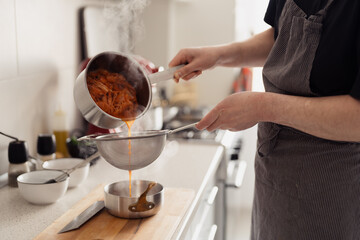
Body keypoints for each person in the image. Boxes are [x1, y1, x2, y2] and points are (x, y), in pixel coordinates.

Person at [168, 0, 360, 239]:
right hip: (274, 177)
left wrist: (262, 106)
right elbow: (283, 37)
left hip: (330, 191)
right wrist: (219, 56)